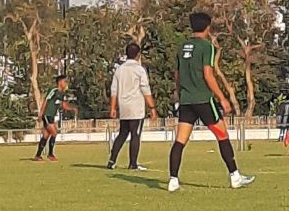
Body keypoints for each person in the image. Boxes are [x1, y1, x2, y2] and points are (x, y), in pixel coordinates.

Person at [167, 12, 254, 192]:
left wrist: (179, 93)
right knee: (222, 136)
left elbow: (177, 75)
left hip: (186, 101)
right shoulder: (206, 47)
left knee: (180, 141)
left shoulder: (182, 46)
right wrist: (223, 98)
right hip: (204, 100)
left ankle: (173, 180)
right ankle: (235, 177)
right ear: (208, 27)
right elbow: (208, 74)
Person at [107, 42, 157, 171]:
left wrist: (113, 108)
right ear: (138, 55)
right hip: (136, 107)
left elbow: (114, 90)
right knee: (135, 134)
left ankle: (112, 160)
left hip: (124, 107)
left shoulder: (119, 69)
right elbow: (145, 89)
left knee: (122, 134)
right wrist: (152, 108)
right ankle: (133, 164)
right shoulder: (139, 69)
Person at [34, 74, 75, 162]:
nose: (66, 83)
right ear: (60, 82)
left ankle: (38, 155)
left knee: (46, 135)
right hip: (47, 115)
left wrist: (72, 109)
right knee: (54, 132)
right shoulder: (54, 91)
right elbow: (46, 101)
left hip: (51, 116)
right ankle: (50, 154)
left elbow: (64, 106)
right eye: (65, 81)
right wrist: (41, 114)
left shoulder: (62, 94)